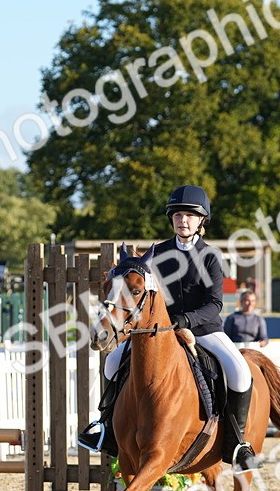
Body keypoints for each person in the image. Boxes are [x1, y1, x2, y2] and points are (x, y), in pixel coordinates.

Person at [76, 184, 260, 470]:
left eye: (189, 215)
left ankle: (237, 443)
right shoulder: (156, 254)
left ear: (201, 220)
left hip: (204, 330)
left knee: (239, 372)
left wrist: (185, 321)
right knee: (112, 363)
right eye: (177, 215)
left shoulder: (210, 256)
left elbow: (214, 304)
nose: (182, 220)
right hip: (159, 331)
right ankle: (106, 428)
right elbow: (140, 293)